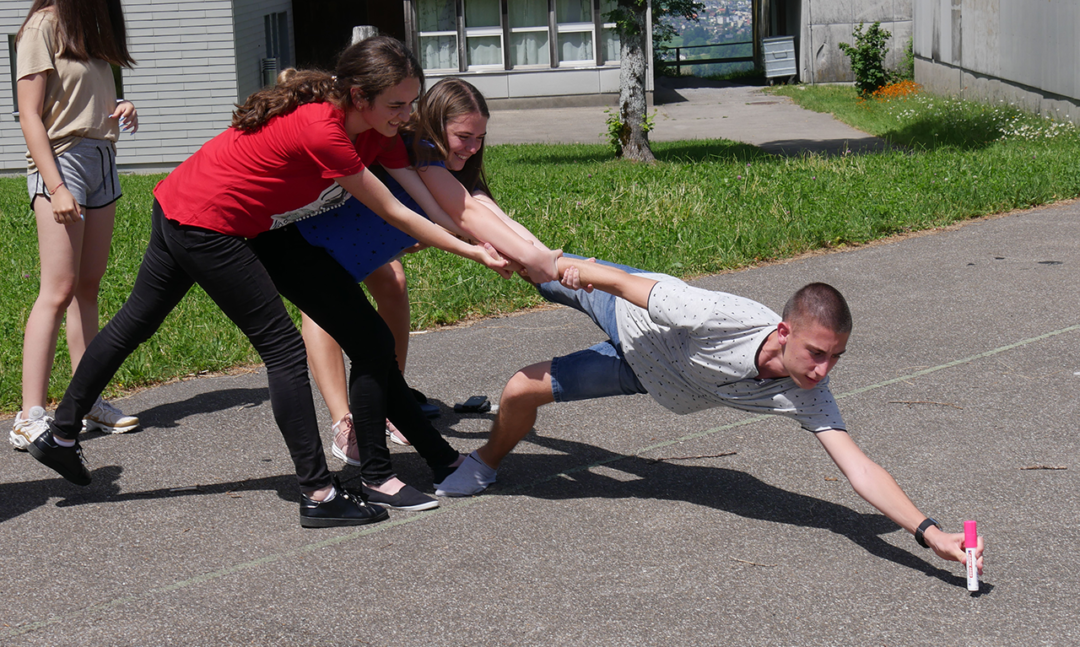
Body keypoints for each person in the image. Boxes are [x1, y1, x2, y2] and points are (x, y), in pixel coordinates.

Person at [25, 36, 511, 528]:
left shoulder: (376, 127)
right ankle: (319, 494)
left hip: (224, 215)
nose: (407, 114)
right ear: (360, 95)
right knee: (282, 350)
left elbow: (422, 197)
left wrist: (462, 230)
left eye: (411, 102)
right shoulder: (325, 129)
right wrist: (471, 250)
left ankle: (60, 433)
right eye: (396, 104)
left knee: (367, 338)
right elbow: (391, 211)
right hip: (205, 223)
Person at [434, 255, 985, 573]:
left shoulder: (806, 393)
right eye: (816, 353)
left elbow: (858, 466)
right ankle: (458, 214)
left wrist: (929, 532)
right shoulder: (726, 316)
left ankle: (484, 460)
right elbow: (634, 287)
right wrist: (578, 271)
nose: (823, 370)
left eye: (835, 357)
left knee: (518, 388)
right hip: (632, 316)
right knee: (532, 263)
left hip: (643, 372)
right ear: (786, 331)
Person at [279, 77, 557, 509]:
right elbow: (461, 212)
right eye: (464, 136)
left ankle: (391, 402)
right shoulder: (418, 147)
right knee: (326, 310)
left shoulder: (450, 158)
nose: (471, 147)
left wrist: (540, 253)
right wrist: (535, 260)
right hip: (334, 234)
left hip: (374, 241)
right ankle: (343, 421)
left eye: (480, 138)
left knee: (392, 286)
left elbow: (482, 206)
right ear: (435, 122)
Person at [10, 0, 141, 453]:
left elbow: (89, 99)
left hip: (101, 158)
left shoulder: (93, 32)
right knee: (58, 289)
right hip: (62, 162)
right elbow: (29, 114)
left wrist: (121, 105)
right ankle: (30, 414)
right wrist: (57, 186)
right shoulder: (40, 29)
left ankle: (85, 399)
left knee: (88, 286)